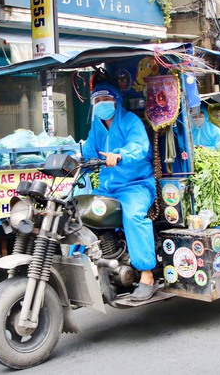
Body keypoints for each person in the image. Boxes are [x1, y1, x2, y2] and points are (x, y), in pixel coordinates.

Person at [82, 83, 157, 301]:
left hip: (136, 185)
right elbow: (88, 150)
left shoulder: (130, 121)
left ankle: (146, 275)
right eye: (97, 101)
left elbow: (139, 146)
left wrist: (120, 155)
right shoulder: (96, 126)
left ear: (116, 101)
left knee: (133, 215)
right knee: (79, 211)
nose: (102, 105)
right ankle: (83, 266)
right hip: (108, 188)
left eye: (106, 100)